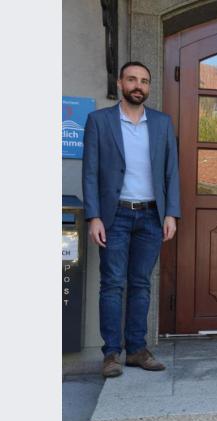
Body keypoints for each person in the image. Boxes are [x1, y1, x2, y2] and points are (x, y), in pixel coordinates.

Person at [82, 61, 181, 378]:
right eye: (132, 79)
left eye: (144, 81)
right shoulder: (99, 121)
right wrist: (94, 216)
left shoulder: (162, 123)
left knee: (141, 284)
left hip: (151, 216)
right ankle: (111, 353)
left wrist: (171, 213)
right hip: (115, 216)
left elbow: (171, 171)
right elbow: (90, 172)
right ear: (121, 83)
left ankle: (137, 350)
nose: (139, 85)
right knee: (112, 284)